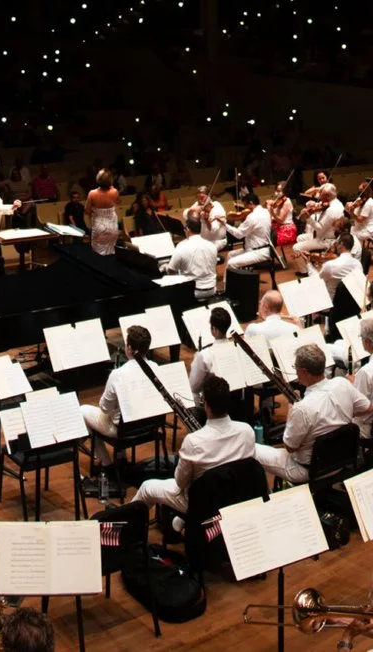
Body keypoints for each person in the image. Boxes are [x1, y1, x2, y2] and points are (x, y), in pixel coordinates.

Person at [129, 376, 258, 524]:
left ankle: (128, 528)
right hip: (236, 495)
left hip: (203, 503)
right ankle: (177, 524)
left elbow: (180, 482)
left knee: (147, 488)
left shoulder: (193, 441)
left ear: (206, 405)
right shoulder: (247, 431)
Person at [82, 327, 189, 470]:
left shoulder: (118, 374)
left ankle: (106, 463)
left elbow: (104, 408)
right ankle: (121, 459)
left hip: (124, 431)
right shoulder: (155, 367)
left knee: (83, 411)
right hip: (152, 426)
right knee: (122, 411)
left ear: (130, 348)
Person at [259, 345, 365, 483]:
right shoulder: (342, 383)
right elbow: (367, 407)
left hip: (308, 469)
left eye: (295, 367)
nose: (295, 371)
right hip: (340, 460)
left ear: (303, 371)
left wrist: (291, 410)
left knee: (253, 450)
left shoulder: (301, 408)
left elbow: (290, 446)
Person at [170, 216, 221, 299]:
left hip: (193, 292)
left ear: (188, 230)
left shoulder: (181, 246)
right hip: (212, 289)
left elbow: (171, 270)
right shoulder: (212, 245)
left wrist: (166, 268)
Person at [226, 192, 275, 270]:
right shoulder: (266, 211)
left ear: (251, 203)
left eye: (246, 205)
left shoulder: (252, 217)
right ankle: (228, 282)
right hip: (262, 248)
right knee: (231, 254)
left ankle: (234, 281)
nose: (245, 208)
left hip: (257, 251)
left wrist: (224, 225)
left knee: (231, 263)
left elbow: (239, 235)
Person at [86, 169, 122, 256]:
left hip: (99, 225)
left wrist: (96, 213)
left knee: (97, 254)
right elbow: (118, 202)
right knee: (111, 252)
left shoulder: (92, 193)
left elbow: (87, 210)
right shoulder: (115, 191)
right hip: (112, 226)